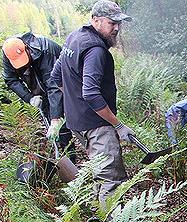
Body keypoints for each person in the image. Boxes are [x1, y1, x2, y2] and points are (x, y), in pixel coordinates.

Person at [50, 0, 134, 206]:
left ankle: (100, 218)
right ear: (95, 20)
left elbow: (56, 76)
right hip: (97, 127)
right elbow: (91, 93)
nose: (116, 28)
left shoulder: (74, 37)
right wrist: (118, 125)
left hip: (78, 123)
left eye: (118, 23)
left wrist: (75, 102)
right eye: (111, 23)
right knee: (111, 179)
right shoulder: (96, 50)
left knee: (100, 172)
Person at [1, 32, 73, 157]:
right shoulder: (9, 54)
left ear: (27, 48)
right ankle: (59, 153)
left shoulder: (45, 49)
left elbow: (54, 85)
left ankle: (71, 156)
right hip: (39, 89)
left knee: (62, 120)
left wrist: (55, 119)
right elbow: (11, 79)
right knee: (48, 116)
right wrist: (29, 98)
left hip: (62, 84)